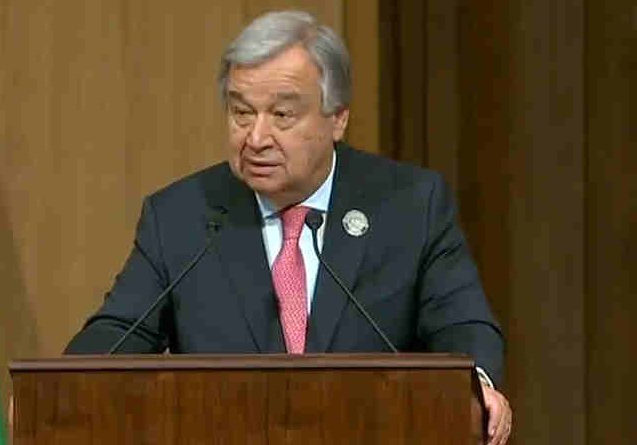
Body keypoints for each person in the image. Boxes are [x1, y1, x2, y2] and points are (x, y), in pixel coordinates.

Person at [66, 10, 511, 444]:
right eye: (242, 113)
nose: (256, 138)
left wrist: (476, 387)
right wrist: (61, 390)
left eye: (282, 116)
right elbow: (121, 331)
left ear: (338, 118)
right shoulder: (181, 216)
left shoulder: (410, 205)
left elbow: (463, 322)